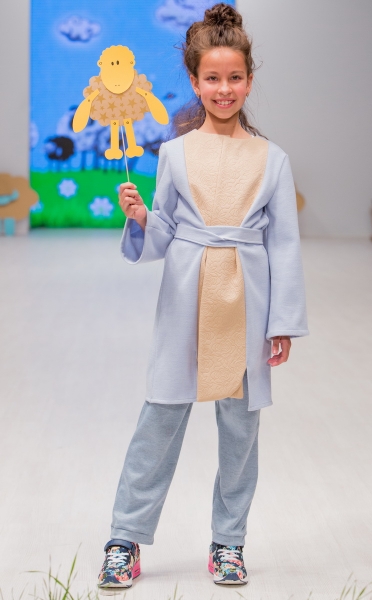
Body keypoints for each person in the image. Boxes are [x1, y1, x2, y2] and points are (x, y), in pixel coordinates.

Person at [97, 3, 308, 589]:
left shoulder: (273, 159)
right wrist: (141, 218)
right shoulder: (174, 153)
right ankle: (124, 537)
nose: (223, 88)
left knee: (241, 430)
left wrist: (282, 321)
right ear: (194, 81)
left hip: (247, 299)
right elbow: (164, 234)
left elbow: (284, 243)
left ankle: (229, 541)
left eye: (234, 77)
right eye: (212, 78)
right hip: (187, 295)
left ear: (249, 80)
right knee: (159, 419)